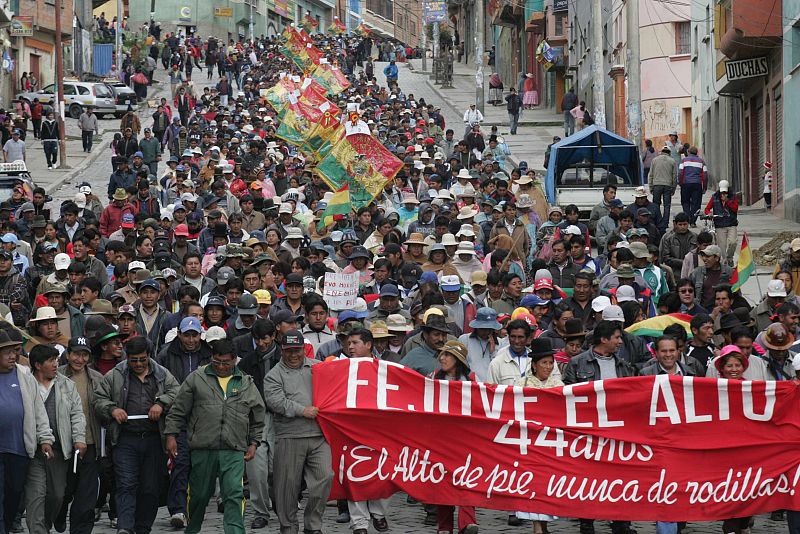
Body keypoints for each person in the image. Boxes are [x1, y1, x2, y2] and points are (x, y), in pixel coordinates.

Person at [165, 338, 265, 534]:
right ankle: (192, 528)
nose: (221, 366)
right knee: (199, 495)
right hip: (203, 448)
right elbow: (178, 410)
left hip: (233, 449)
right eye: (216, 362)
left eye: (226, 363)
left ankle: (235, 531)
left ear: (234, 360)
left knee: (234, 494)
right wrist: (171, 435)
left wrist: (254, 442)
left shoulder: (245, 382)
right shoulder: (197, 378)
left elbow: (257, 417)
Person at [92, 336, 180, 534]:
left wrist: (162, 403)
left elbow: (177, 392)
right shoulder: (116, 374)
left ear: (148, 356)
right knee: (126, 483)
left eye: (142, 359)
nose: (138, 364)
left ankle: (142, 528)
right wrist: (112, 410)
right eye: (134, 360)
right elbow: (98, 399)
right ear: (127, 357)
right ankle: (125, 526)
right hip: (125, 438)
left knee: (150, 487)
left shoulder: (162, 374)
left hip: (153, 438)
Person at [264, 330, 334, 534]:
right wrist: (302, 410)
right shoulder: (273, 375)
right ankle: (288, 526)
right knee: (286, 487)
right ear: (282, 350)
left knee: (325, 477)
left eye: (297, 350)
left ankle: (313, 525)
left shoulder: (318, 367)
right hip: (290, 435)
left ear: (304, 349)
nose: (293, 355)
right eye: (289, 351)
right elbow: (276, 401)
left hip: (319, 436)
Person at [25, 344, 86, 534]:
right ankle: (38, 530)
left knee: (57, 495)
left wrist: (79, 438)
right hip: (32, 450)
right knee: (36, 496)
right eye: (51, 361)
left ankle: (46, 525)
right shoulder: (25, 384)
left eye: (56, 360)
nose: (55, 364)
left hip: (58, 451)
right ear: (37, 364)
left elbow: (77, 414)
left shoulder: (66, 385)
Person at [0, 330, 55, 534]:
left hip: (19, 448)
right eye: (6, 352)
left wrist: (45, 439)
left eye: (14, 351)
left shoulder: (24, 375)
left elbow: (38, 410)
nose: (12, 356)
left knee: (14, 494)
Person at [430, 341, 480, 534]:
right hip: (440, 439)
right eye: (441, 355)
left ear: (458, 360)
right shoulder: (433, 378)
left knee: (466, 478)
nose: (442, 358)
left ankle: (468, 522)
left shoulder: (472, 380)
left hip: (466, 439)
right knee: (442, 481)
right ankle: (444, 526)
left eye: (447, 355)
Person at [703, 180, 738, 264]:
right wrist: (709, 213)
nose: (723, 194)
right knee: (722, 246)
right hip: (720, 224)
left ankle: (730, 257)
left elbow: (735, 208)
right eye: (722, 192)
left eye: (725, 192)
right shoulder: (715, 197)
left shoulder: (733, 196)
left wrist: (727, 201)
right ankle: (725, 261)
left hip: (731, 223)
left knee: (733, 242)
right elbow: (707, 209)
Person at [678, 146, 707, 226]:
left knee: (685, 202)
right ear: (697, 153)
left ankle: (687, 218)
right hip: (697, 184)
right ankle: (693, 221)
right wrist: (704, 187)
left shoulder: (683, 161)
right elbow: (705, 175)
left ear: (688, 152)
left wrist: (680, 183)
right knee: (696, 203)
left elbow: (680, 173)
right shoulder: (701, 161)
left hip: (686, 184)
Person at [648, 145, 677, 227]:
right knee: (667, 205)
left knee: (656, 205)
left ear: (661, 152)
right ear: (669, 152)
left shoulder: (654, 160)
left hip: (656, 184)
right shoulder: (672, 161)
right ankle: (665, 223)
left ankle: (657, 221)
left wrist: (650, 186)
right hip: (668, 185)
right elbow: (674, 176)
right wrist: (673, 188)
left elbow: (651, 174)